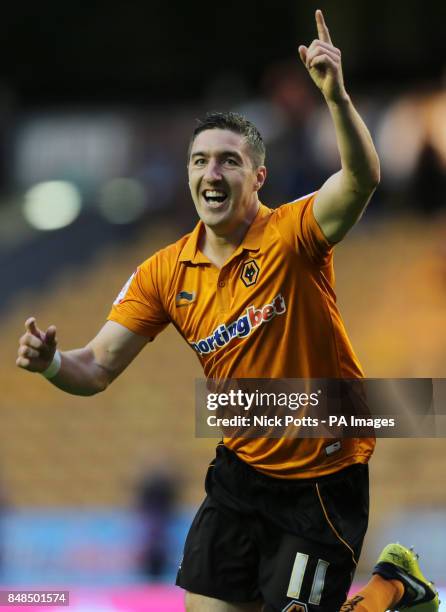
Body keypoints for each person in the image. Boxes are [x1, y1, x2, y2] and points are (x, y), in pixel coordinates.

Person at [16, 9, 438, 612]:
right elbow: (97, 367)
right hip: (239, 477)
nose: (211, 172)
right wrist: (55, 363)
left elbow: (363, 179)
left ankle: (394, 590)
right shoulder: (162, 272)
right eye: (199, 161)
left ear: (259, 175)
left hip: (322, 478)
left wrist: (337, 99)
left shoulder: (293, 235)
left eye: (228, 160)